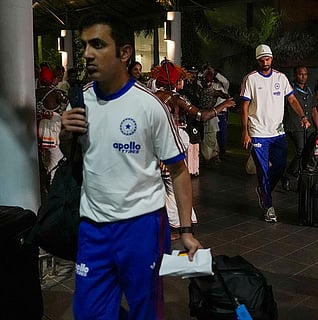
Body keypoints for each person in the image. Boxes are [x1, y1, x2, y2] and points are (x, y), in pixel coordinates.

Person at [60, 13, 202, 319]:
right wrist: (64, 134)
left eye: (97, 44)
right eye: (84, 45)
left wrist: (186, 231)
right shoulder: (80, 101)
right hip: (93, 229)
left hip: (142, 228)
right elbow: (71, 157)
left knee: (145, 309)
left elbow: (178, 170)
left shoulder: (149, 106)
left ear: (124, 53)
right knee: (89, 312)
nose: (86, 54)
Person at [151, 60, 235, 239]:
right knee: (174, 187)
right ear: (175, 82)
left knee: (162, 188)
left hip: (153, 149)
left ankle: (168, 226)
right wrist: (222, 106)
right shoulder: (177, 99)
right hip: (170, 148)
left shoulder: (149, 98)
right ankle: (176, 227)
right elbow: (202, 116)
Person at [240, 44, 310, 223]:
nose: (265, 62)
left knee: (279, 167)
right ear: (258, 60)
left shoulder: (281, 78)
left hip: (278, 132)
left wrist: (302, 115)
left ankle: (263, 191)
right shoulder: (251, 79)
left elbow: (292, 99)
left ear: (272, 59)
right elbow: (245, 106)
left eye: (268, 58)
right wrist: (245, 131)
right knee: (263, 171)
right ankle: (269, 207)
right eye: (262, 59)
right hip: (257, 132)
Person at [282, 65, 318, 190]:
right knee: (301, 150)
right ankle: (290, 173)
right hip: (294, 125)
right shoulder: (290, 89)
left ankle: (300, 175)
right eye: (300, 74)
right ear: (295, 75)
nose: (303, 77)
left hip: (309, 127)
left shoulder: (309, 90)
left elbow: (314, 109)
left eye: (305, 74)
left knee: (309, 152)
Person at [35, 64, 69, 201]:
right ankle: (53, 187)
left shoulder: (35, 92)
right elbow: (68, 104)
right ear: (51, 79)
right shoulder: (56, 93)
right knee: (57, 158)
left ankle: (46, 185)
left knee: (46, 159)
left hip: (39, 128)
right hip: (52, 130)